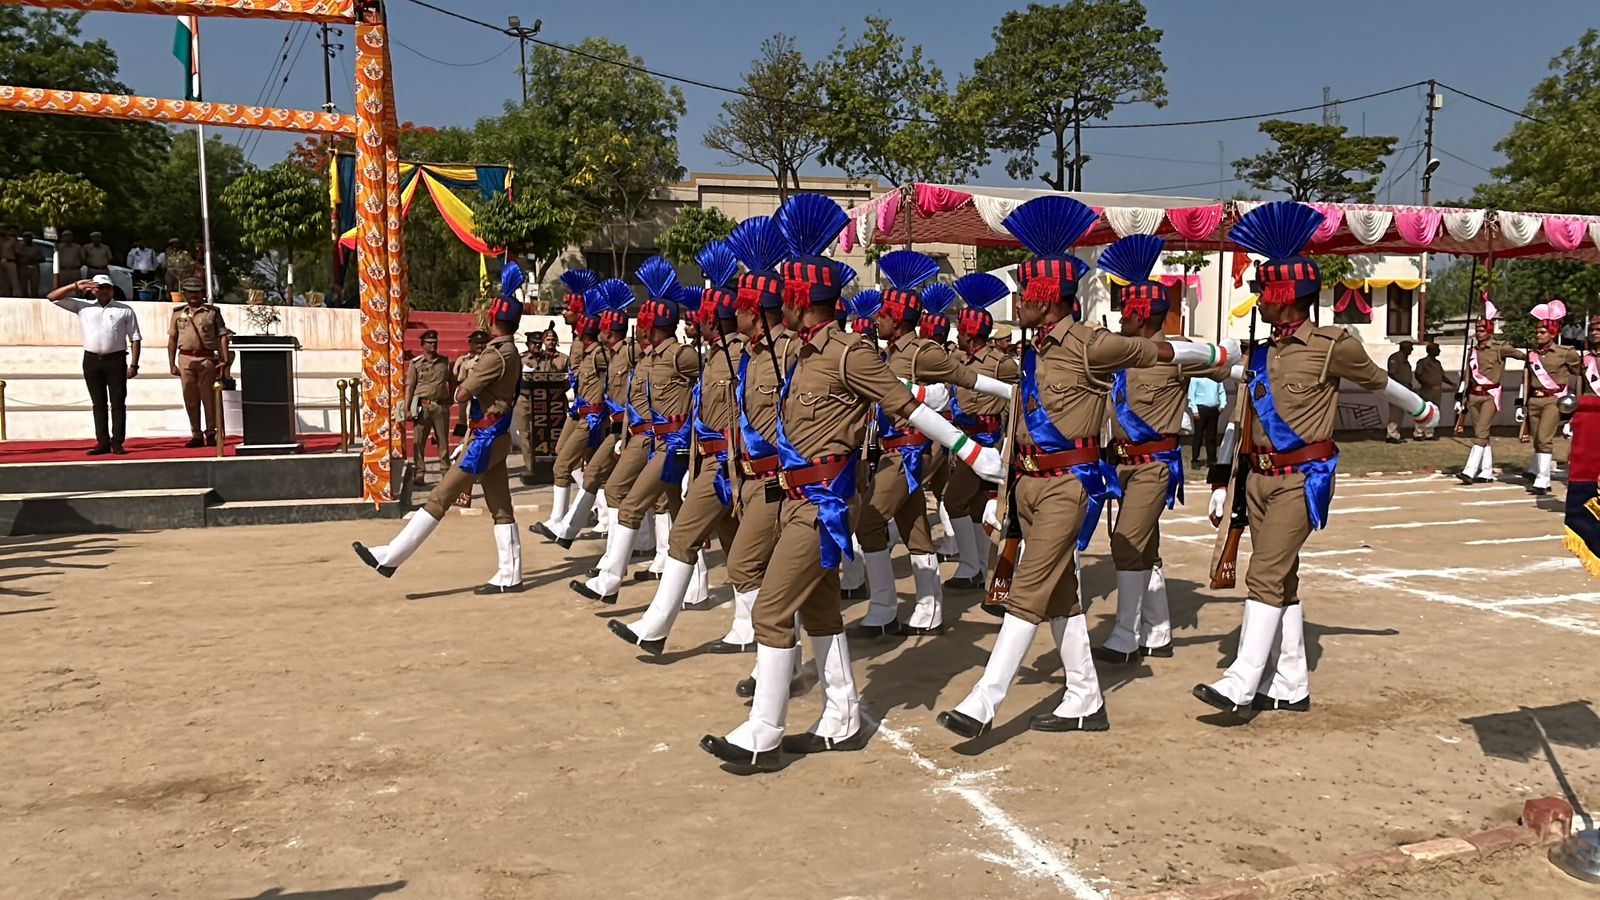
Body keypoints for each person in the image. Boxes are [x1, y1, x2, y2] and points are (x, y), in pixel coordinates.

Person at [701, 195, 1006, 771]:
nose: (777, 308)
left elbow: (904, 405)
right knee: (818, 615)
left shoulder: (849, 354)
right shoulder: (794, 353)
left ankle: (763, 729)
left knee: (770, 611)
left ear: (800, 303)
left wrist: (970, 449)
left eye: (785, 299)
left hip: (823, 507)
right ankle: (841, 717)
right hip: (792, 499)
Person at [936, 197, 1236, 740]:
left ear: (1049, 297)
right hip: (1028, 484)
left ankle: (985, 701)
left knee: (1028, 589)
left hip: (1066, 488)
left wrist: (1222, 352)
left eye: (1027, 293)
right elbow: (1008, 408)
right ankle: (1084, 697)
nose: (1020, 301)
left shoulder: (1091, 345)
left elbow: (1156, 355)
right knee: (1060, 594)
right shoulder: (1030, 351)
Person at [1193, 201, 1437, 720]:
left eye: (1266, 292)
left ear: (1288, 298)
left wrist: (1420, 408)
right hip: (1255, 479)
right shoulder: (1259, 351)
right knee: (1282, 580)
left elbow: (1377, 380)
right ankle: (1292, 682)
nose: (1259, 300)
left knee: (1263, 574)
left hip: (1299, 480)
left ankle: (1242, 681)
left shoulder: (1333, 345)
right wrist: (1222, 479)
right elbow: (1238, 412)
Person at [352, 260, 528, 594]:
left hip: (485, 440)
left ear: (493, 318)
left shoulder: (494, 356)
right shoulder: (510, 352)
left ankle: (391, 557)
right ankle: (511, 572)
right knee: (501, 506)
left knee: (439, 497)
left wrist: (467, 377)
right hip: (495, 435)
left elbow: (462, 391)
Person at [854, 251, 1004, 638]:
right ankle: (930, 609)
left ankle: (883, 609)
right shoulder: (887, 353)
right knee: (915, 528)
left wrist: (1013, 392)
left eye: (884, 315)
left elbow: (962, 381)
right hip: (892, 449)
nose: (877, 320)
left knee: (869, 523)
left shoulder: (924, 352)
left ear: (899, 319)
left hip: (910, 452)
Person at [611, 240, 748, 653]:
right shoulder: (711, 358)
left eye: (701, 317)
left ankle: (654, 626)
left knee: (683, 537)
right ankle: (749, 628)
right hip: (706, 461)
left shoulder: (740, 357)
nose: (694, 322)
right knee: (738, 550)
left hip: (727, 465)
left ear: (713, 320)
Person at [1090, 236, 1214, 667]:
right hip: (1120, 463)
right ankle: (1158, 631)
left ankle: (1126, 636)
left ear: (1143, 314)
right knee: (1143, 547)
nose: (1121, 316)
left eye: (1127, 310)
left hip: (1153, 466)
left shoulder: (1176, 355)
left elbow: (1228, 359)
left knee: (1124, 543)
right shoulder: (1122, 354)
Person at [571, 256, 698, 604]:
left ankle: (609, 580)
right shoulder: (650, 357)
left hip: (672, 442)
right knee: (676, 510)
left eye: (646, 324)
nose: (640, 330)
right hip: (649, 438)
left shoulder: (680, 356)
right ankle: (696, 584)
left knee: (626, 501)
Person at [941, 273, 1017, 592]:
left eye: (962, 329)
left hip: (985, 442)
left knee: (953, 500)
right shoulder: (958, 360)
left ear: (972, 332)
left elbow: (1016, 400)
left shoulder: (1000, 363)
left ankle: (972, 566)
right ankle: (978, 567)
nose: (957, 334)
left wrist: (1009, 446)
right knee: (972, 507)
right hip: (962, 439)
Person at [48, 275, 142, 455]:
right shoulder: (83, 306)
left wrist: (134, 364)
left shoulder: (124, 310)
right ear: (93, 289)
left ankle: (117, 442)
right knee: (98, 403)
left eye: (106, 287)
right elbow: (52, 297)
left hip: (116, 360)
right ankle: (102, 441)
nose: (103, 290)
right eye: (99, 287)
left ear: (112, 289)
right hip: (92, 360)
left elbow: (135, 338)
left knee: (117, 402)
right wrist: (75, 285)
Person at [539, 269, 599, 533]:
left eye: (567, 308)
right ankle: (587, 511)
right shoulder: (577, 339)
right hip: (579, 409)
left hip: (593, 413)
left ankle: (564, 519)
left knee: (569, 463)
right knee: (566, 456)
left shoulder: (592, 345)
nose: (563, 312)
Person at [1455, 296, 1525, 485]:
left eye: (1482, 330)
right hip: (1473, 396)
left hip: (1489, 396)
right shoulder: (1473, 350)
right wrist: (1462, 398)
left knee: (1481, 432)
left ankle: (1469, 471)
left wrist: (1531, 356)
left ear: (1490, 331)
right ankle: (1486, 472)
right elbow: (1468, 374)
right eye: (1477, 330)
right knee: (1481, 433)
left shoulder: (1499, 349)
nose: (1478, 333)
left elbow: (1519, 354)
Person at [1521, 301, 1580, 496]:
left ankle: (1543, 480)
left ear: (1553, 333)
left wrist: (1577, 399)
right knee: (1537, 440)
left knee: (1545, 438)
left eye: (1543, 332)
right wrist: (1522, 403)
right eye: (1537, 332)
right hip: (1534, 400)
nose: (1538, 335)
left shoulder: (1565, 353)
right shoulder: (1532, 355)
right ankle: (1540, 473)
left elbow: (1582, 371)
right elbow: (1527, 378)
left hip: (1553, 401)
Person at [166, 276, 232, 447]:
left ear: (202, 293)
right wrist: (171, 363)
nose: (193, 295)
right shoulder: (178, 313)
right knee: (190, 397)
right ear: (185, 293)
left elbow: (222, 336)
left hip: (206, 358)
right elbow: (173, 339)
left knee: (208, 398)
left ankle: (211, 432)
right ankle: (196, 433)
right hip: (185, 358)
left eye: (196, 292)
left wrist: (224, 359)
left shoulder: (212, 312)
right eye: (189, 292)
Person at [404, 329, 452, 486]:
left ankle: (445, 471)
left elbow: (452, 380)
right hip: (422, 406)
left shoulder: (444, 362)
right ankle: (419, 472)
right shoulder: (416, 364)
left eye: (435, 342)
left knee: (443, 441)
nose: (433, 345)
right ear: (422, 345)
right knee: (419, 441)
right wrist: (407, 408)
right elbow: (410, 387)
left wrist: (451, 397)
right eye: (430, 343)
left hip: (440, 406)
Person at [1188, 364, 1226, 467]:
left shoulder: (1216, 378)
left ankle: (1212, 459)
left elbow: (1221, 392)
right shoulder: (1196, 377)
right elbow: (1191, 395)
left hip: (1214, 409)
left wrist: (1222, 405)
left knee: (1211, 436)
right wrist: (1194, 410)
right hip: (1201, 409)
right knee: (1198, 436)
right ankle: (1195, 460)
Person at [452, 331, 488, 437]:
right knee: (465, 426)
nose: (480, 346)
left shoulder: (491, 360)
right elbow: (457, 379)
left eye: (483, 343)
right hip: (468, 398)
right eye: (477, 343)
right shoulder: (463, 360)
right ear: (471, 343)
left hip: (486, 398)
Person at [1413, 342, 1450, 440]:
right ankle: (1419, 433)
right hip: (1426, 390)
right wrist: (1426, 383)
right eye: (1437, 349)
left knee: (1434, 413)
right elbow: (1418, 374)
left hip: (1437, 390)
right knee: (1423, 411)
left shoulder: (1437, 363)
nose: (1439, 351)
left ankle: (1429, 433)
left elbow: (1442, 376)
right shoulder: (1422, 362)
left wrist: (1451, 383)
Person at [1384, 341, 1416, 442]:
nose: (1412, 350)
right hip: (1397, 389)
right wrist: (1399, 387)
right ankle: (1391, 435)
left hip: (1404, 389)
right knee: (1395, 412)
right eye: (1410, 348)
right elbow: (1392, 373)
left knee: (1400, 413)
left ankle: (1395, 434)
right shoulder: (1395, 358)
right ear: (1405, 348)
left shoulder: (1404, 359)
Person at [16, 231, 42, 298]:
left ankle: (34, 299)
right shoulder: (20, 247)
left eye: (28, 237)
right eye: (25, 237)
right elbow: (16, 256)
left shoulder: (36, 247)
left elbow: (42, 258)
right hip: (23, 267)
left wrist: (35, 259)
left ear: (31, 238)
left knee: (34, 286)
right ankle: (24, 300)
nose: (27, 239)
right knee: (23, 286)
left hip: (34, 267)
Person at [0, 224, 17, 296]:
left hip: (10, 261)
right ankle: (4, 295)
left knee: (14, 281)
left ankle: (17, 295)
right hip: (1, 262)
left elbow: (17, 251)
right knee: (2, 281)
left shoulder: (12, 240)